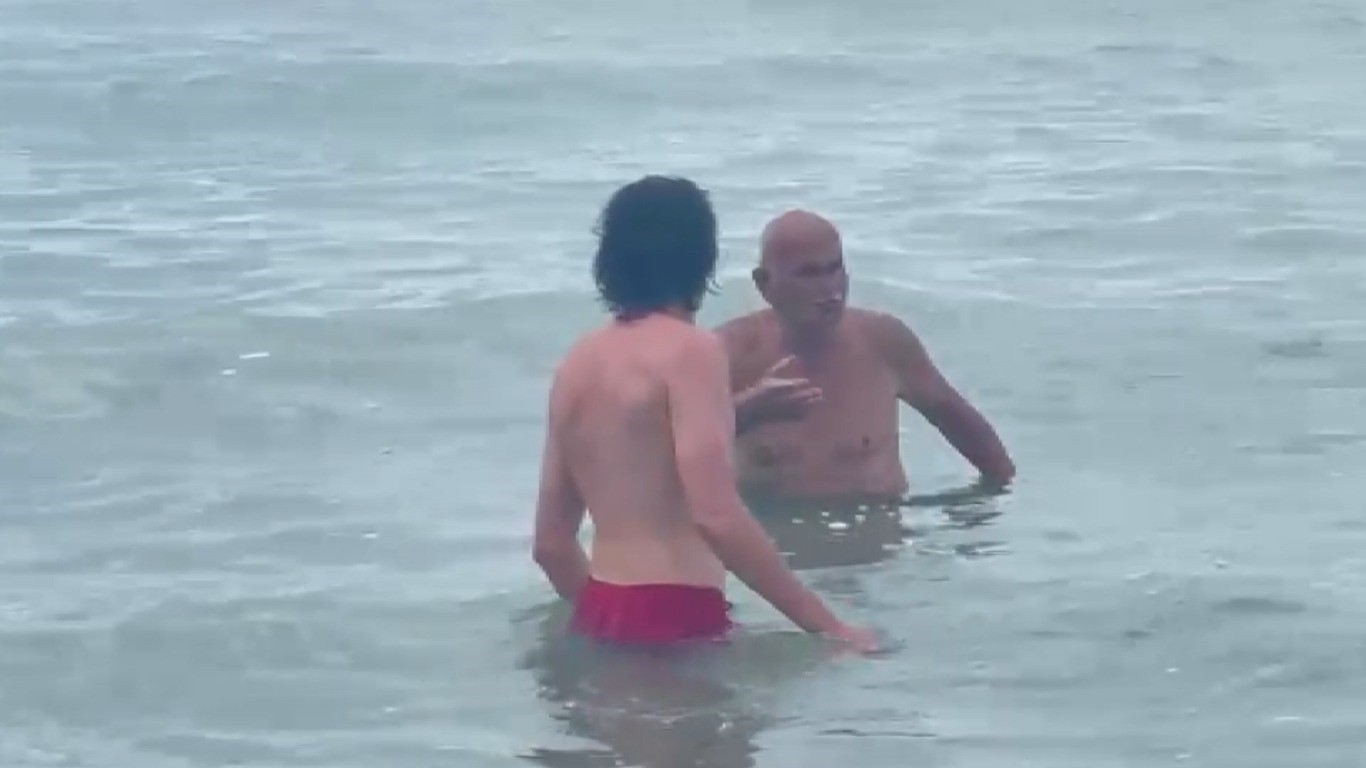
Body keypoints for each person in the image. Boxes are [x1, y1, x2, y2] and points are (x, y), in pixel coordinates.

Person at [531, 177, 876, 651]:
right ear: (703, 259)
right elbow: (716, 516)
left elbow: (551, 545)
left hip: (599, 611)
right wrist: (831, 628)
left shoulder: (577, 362)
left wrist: (611, 620)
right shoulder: (693, 351)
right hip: (679, 611)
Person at [719, 209, 1016, 502]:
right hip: (775, 532)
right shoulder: (727, 353)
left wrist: (999, 502)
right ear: (764, 283)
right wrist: (748, 411)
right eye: (809, 274)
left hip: (880, 528)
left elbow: (960, 422)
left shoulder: (884, 342)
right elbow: (689, 442)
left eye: (835, 268)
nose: (830, 289)